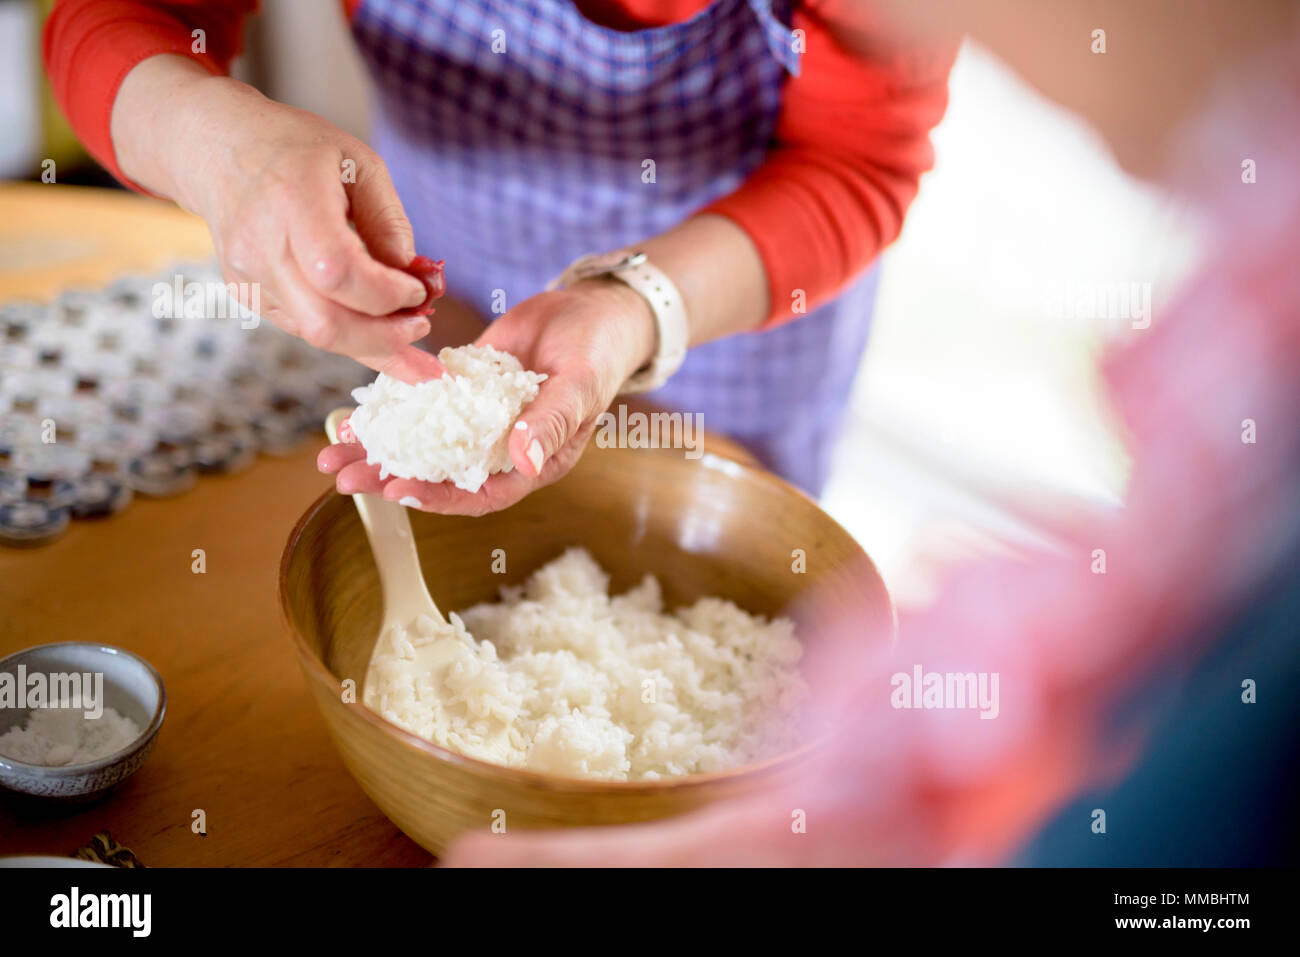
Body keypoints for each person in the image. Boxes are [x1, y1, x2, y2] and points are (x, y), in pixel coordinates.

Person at [433, 0, 1300, 865]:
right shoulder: (1253, 325)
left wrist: (638, 304)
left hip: (734, 337)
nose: (917, 29)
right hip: (459, 282)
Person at [44, 0, 957, 510]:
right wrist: (215, 147)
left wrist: (632, 306)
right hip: (457, 277)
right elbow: (114, 17)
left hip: (727, 310)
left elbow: (858, 159)